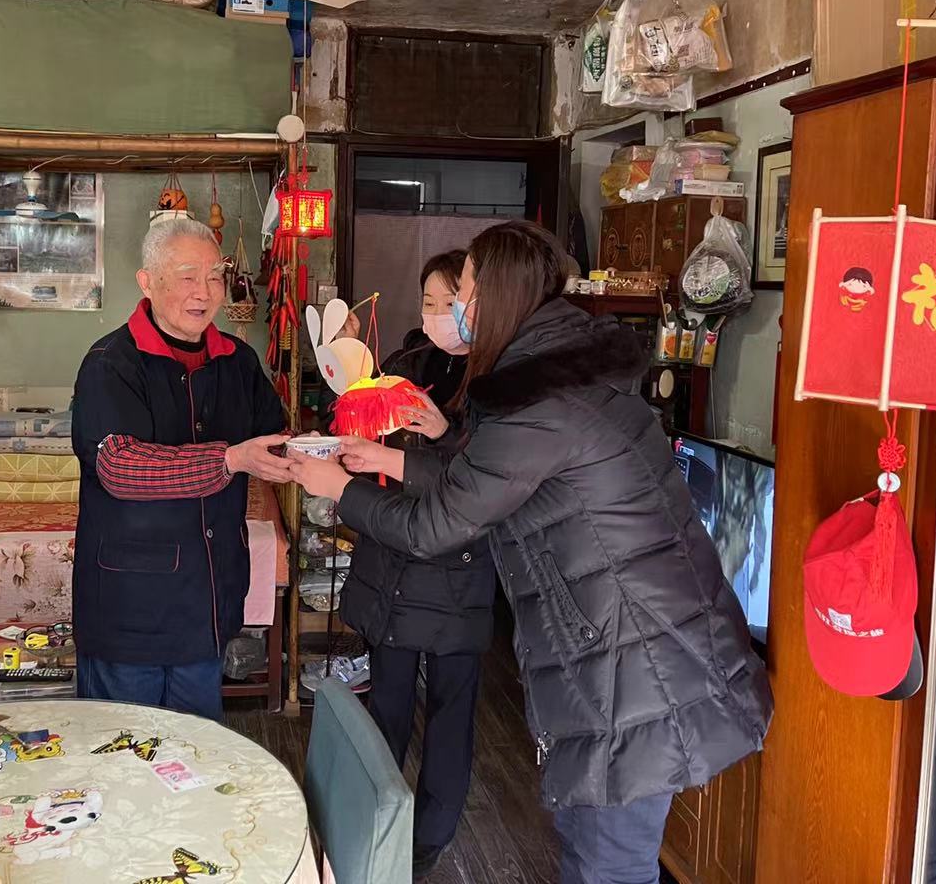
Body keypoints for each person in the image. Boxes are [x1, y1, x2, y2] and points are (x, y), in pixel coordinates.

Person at [289, 220, 772, 884]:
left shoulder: (539, 403)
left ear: (493, 296)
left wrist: (340, 488)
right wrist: (386, 462)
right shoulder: (555, 380)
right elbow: (484, 481)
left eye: (461, 291)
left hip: (633, 670)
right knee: (592, 848)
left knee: (606, 864)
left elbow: (439, 525)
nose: (454, 307)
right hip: (634, 652)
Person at [70, 217, 293, 720]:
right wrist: (230, 459)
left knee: (197, 750)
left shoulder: (237, 360)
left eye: (215, 276)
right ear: (148, 282)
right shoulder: (110, 363)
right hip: (130, 611)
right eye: (188, 276)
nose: (204, 292)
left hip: (208, 603)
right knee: (122, 751)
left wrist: (323, 446)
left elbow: (272, 437)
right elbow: (120, 466)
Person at [337, 250, 493, 878]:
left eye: (450, 302)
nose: (438, 314)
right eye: (429, 302)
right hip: (394, 561)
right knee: (388, 705)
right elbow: (360, 422)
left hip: (457, 572)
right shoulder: (405, 365)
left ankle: (428, 842)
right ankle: (373, 824)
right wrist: (348, 365)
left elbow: (487, 482)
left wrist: (443, 433)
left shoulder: (500, 379)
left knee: (452, 712)